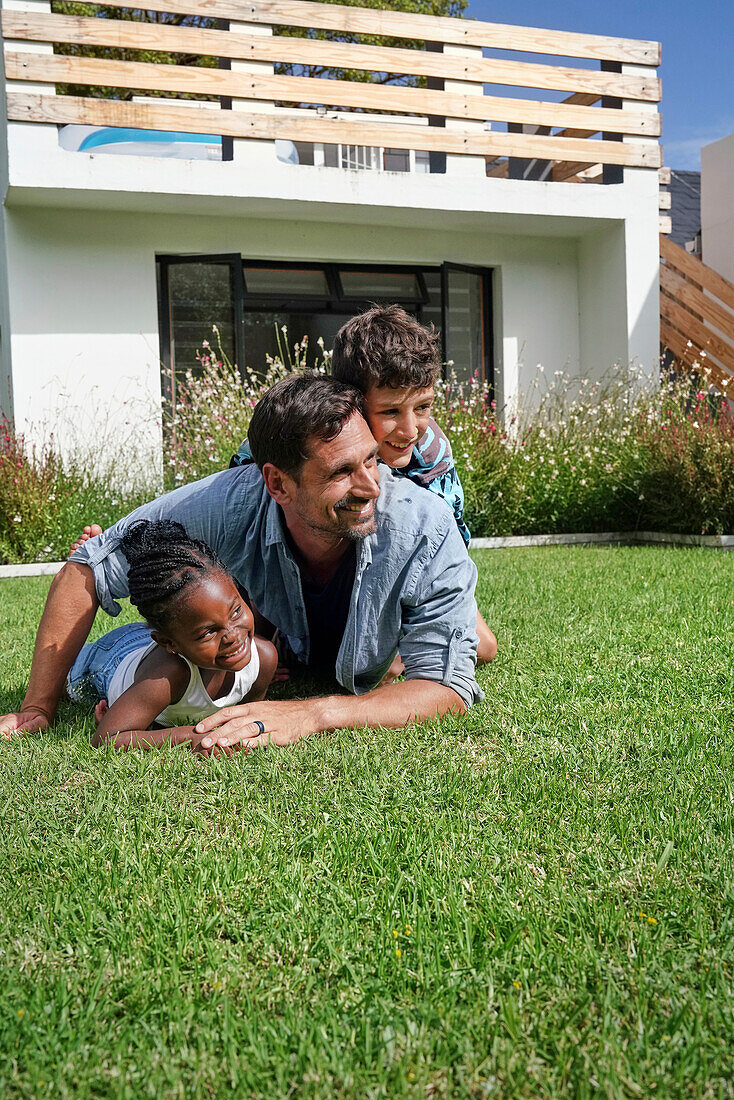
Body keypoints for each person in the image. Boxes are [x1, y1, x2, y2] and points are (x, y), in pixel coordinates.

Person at [0, 374, 481, 752]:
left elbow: (446, 690)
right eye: (340, 472)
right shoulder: (226, 505)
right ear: (277, 484)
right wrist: (38, 706)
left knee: (476, 642)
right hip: (256, 652)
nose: (372, 487)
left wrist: (313, 715)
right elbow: (86, 568)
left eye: (371, 460)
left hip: (312, 665)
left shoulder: (426, 526)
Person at [68, 519, 277, 751]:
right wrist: (191, 737)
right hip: (112, 658)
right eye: (209, 632)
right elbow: (107, 738)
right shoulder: (168, 674)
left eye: (236, 611)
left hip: (161, 639)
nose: (232, 635)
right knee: (70, 681)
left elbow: (245, 717)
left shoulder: (264, 658)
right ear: (169, 643)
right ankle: (87, 559)